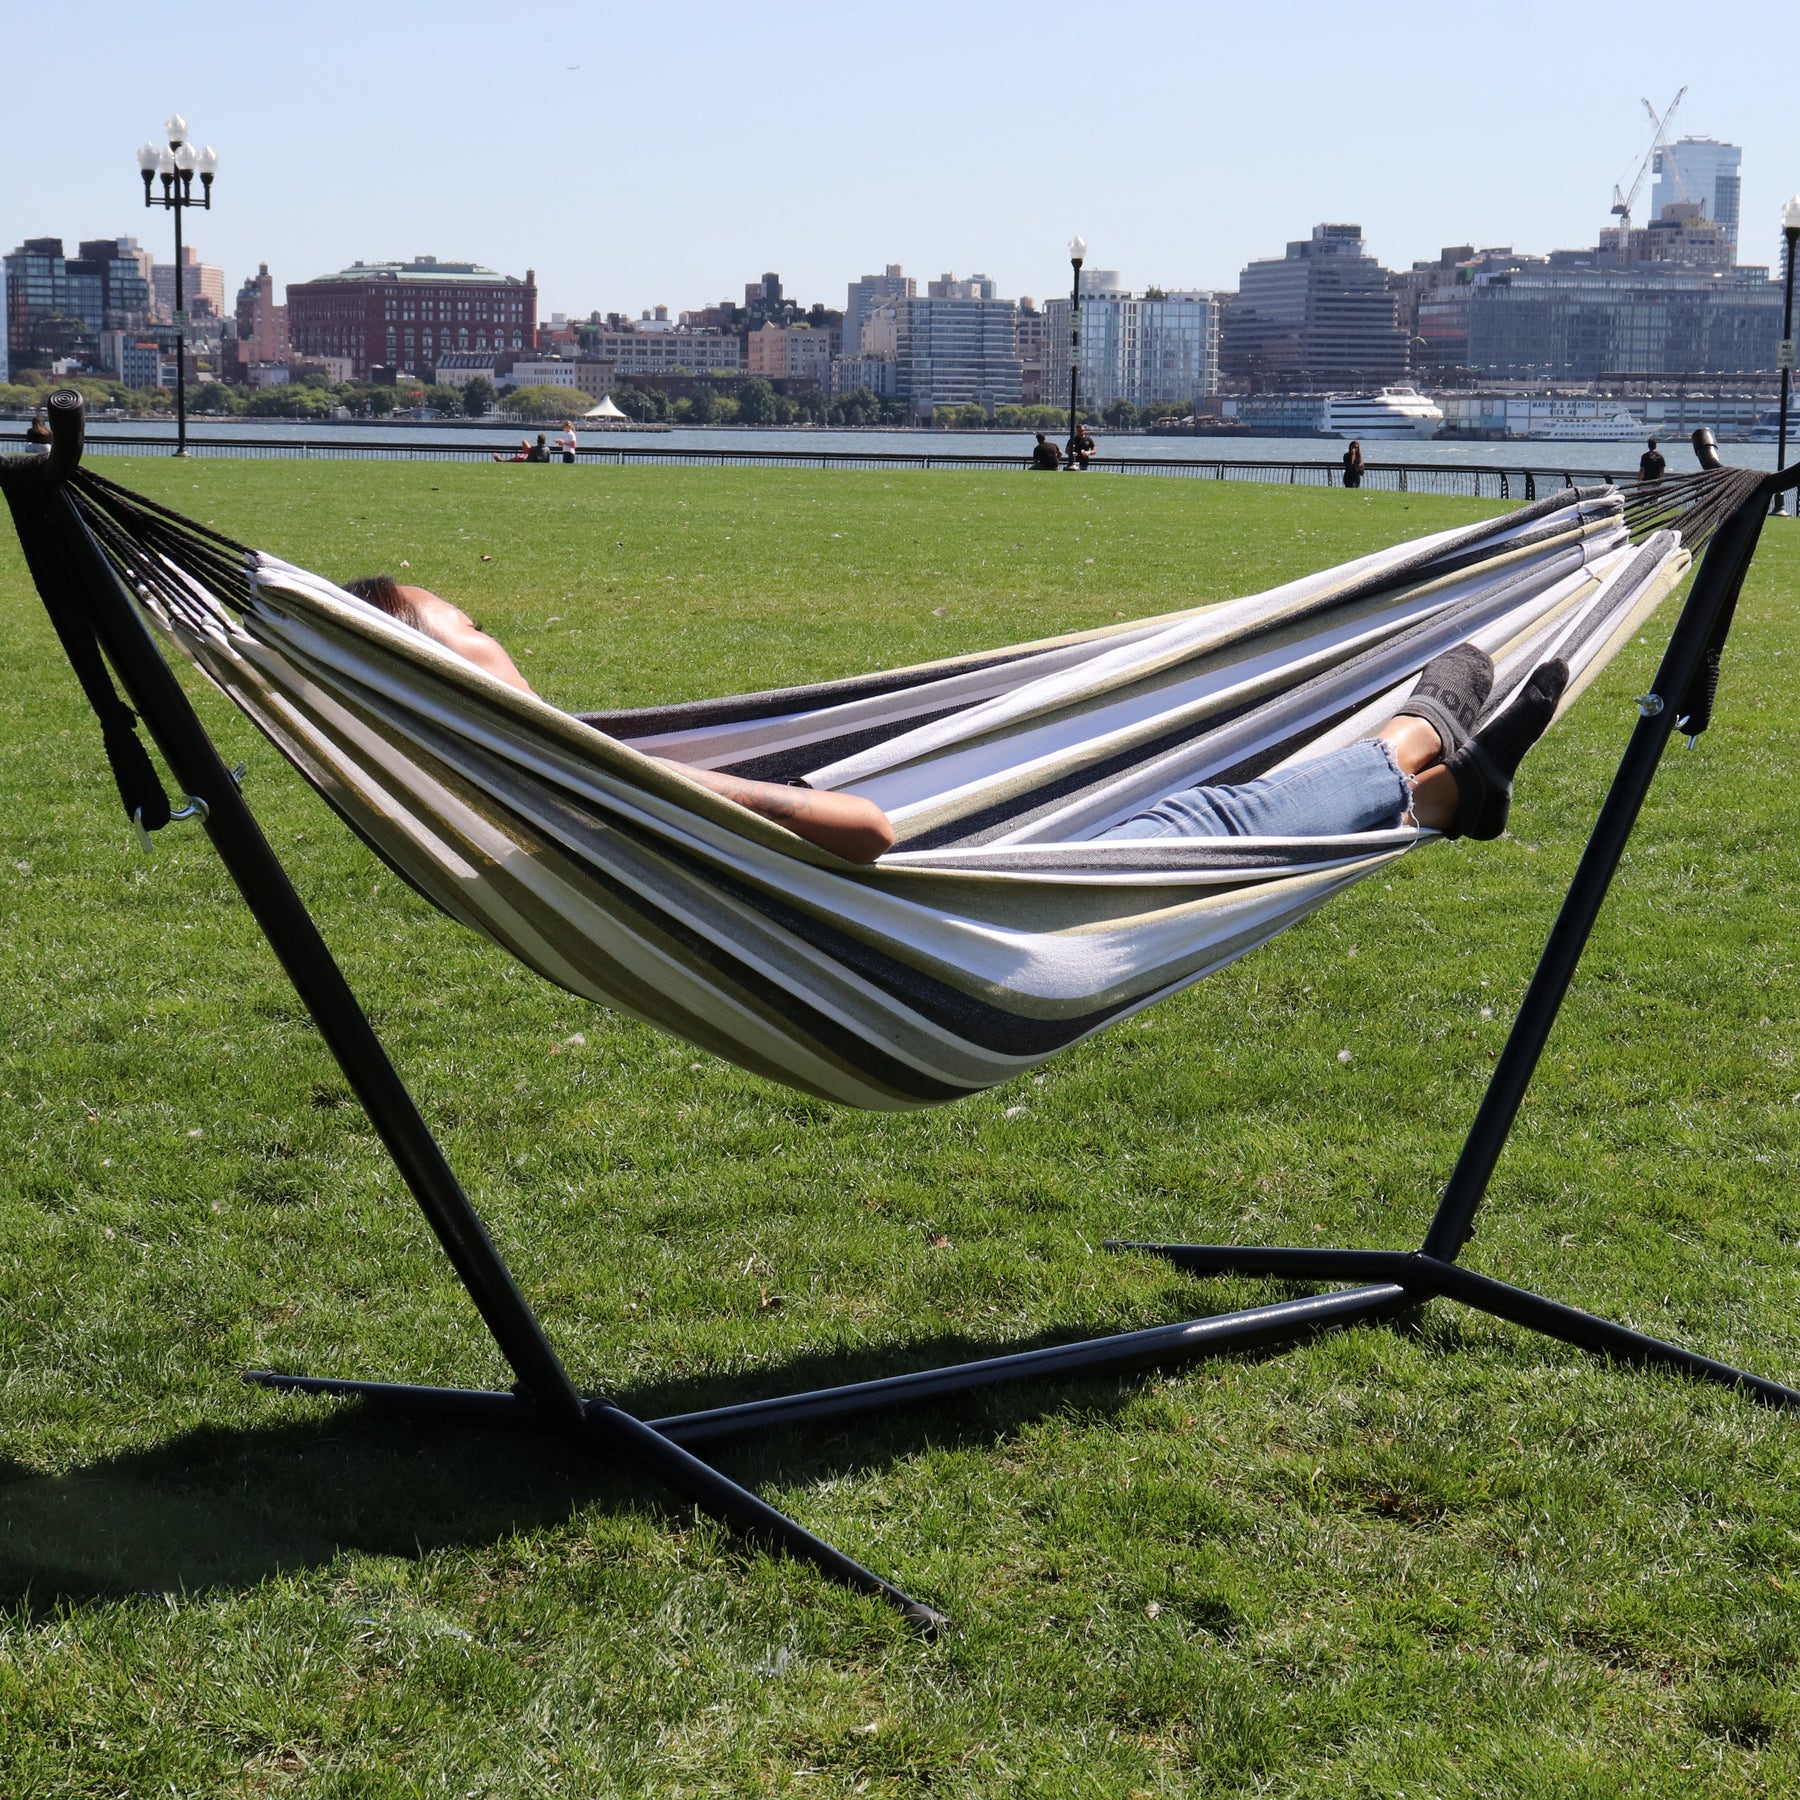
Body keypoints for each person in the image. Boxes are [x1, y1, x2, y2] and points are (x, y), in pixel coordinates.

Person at [343, 575, 1567, 861]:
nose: (487, 643)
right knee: (1206, 818)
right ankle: (1425, 746)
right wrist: (640, 779)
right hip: (947, 927)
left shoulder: (526, 767)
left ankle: (1445, 783)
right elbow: (862, 832)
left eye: (473, 622)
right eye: (458, 636)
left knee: (1190, 800)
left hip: (944, 889)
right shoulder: (561, 774)